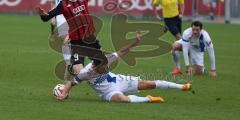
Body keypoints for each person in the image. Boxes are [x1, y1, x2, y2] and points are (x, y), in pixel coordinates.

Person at [57, 32, 192, 103]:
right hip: (108, 92)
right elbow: (71, 82)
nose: (105, 67)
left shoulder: (105, 60)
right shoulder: (86, 73)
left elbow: (121, 51)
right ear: (94, 66)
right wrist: (64, 92)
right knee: (121, 100)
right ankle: (148, 99)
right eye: (102, 67)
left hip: (120, 81)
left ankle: (182, 87)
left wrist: (135, 42)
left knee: (149, 83)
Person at [36, 0, 106, 80]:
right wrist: (42, 15)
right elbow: (46, 18)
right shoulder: (63, 5)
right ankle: (68, 82)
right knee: (78, 71)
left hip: (90, 39)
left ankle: (92, 70)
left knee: (102, 65)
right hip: (76, 42)